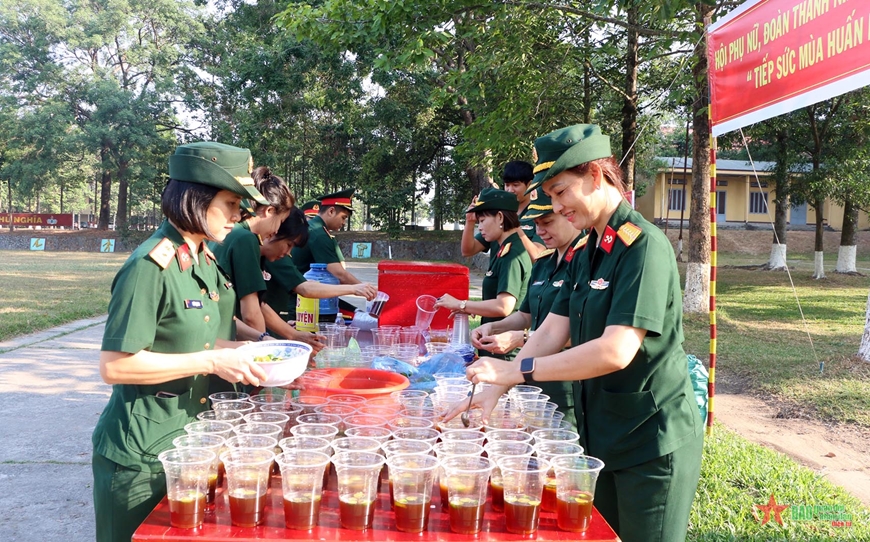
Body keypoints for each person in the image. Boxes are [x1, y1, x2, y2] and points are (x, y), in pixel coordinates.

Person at [453, 124, 704, 542]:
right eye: (549, 196)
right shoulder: (588, 251)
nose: (557, 206)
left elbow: (615, 350)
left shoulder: (642, 247)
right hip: (601, 434)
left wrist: (515, 373)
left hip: (650, 440)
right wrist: (496, 387)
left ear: (595, 175)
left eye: (560, 191)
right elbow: (554, 326)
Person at [92, 141, 271, 542]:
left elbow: (202, 340)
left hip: (193, 444)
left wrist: (250, 353)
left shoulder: (203, 258)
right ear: (196, 199)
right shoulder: (149, 266)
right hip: (142, 457)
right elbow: (115, 366)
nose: (239, 216)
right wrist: (210, 363)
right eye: (230, 203)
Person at [470, 188, 583, 427]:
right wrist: (494, 326)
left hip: (565, 381)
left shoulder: (585, 264)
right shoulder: (543, 263)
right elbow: (525, 314)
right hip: (530, 377)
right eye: (536, 224)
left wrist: (521, 338)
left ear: (569, 215)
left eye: (548, 222)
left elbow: (585, 332)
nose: (540, 231)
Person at [210, 166, 323, 349]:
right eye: (279, 222)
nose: (277, 231)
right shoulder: (246, 239)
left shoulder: (232, 234)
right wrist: (267, 356)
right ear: (269, 211)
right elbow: (251, 314)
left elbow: (256, 305)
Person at [434, 187, 532, 360]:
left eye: (482, 220)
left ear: (500, 217)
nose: (480, 227)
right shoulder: (502, 250)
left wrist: (461, 304)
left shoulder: (512, 254)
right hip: (492, 342)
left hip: (505, 350)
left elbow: (504, 306)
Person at [260, 216, 378, 329]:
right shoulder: (276, 256)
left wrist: (288, 331)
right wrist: (354, 288)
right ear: (273, 233)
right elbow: (306, 289)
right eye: (289, 245)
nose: (288, 252)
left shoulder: (271, 254)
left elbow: (260, 306)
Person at [290, 188, 375, 321]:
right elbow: (339, 273)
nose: (344, 222)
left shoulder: (313, 228)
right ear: (331, 211)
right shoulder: (319, 234)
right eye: (343, 217)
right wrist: (363, 288)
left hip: (305, 297)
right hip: (304, 301)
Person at [461, 161, 545, 260]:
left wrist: (513, 226)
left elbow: (538, 256)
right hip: (497, 273)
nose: (510, 190)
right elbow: (468, 251)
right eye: (507, 185)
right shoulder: (498, 212)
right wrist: (470, 221)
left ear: (530, 184)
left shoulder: (538, 214)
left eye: (515, 185)